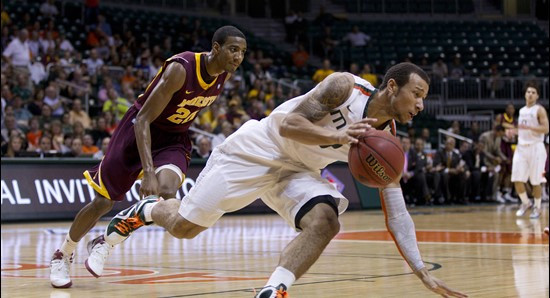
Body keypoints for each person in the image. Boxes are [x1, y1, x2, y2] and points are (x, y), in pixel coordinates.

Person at [86, 63, 466, 298]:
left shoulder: (388, 145)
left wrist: (420, 272)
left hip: (297, 173)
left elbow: (397, 213)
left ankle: (275, 289)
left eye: (424, 99)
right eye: (416, 94)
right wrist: (338, 137)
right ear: (392, 87)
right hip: (257, 149)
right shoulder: (344, 87)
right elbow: (287, 123)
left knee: (327, 219)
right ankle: (148, 210)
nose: (420, 105)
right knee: (185, 227)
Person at [48, 25, 247, 288]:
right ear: (216, 48)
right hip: (139, 131)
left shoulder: (223, 74)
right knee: (103, 202)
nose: (238, 57)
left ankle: (107, 241)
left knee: (166, 197)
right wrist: (148, 172)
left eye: (243, 52)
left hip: (174, 138)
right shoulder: (182, 68)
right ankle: (64, 252)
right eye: (233, 50)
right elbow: (142, 120)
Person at [513, 82, 549, 219]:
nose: (530, 94)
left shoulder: (539, 110)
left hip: (536, 147)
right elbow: (523, 129)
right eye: (528, 92)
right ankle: (526, 203)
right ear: (525, 94)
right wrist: (514, 132)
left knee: (535, 181)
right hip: (521, 147)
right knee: (517, 178)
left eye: (533, 92)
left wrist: (531, 128)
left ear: (537, 96)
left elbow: (546, 129)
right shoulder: (522, 111)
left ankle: (537, 208)